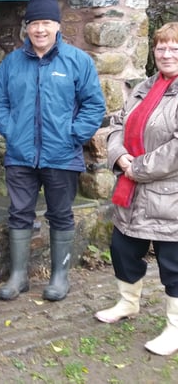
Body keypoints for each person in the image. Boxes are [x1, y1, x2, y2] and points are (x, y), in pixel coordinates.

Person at [0, 0, 105, 302]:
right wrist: (10, 130)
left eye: (45, 22)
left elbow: (94, 106)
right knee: (19, 213)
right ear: (26, 28)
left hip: (62, 154)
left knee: (61, 214)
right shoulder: (12, 63)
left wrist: (73, 135)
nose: (39, 29)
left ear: (57, 25)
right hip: (20, 154)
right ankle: (18, 276)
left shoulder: (78, 62)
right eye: (33, 23)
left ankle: (59, 277)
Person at [95, 22, 178, 356]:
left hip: (169, 197)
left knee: (173, 264)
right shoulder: (144, 87)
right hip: (132, 192)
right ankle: (128, 303)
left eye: (174, 47)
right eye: (161, 47)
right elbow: (117, 124)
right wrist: (120, 156)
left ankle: (175, 328)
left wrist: (137, 167)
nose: (167, 53)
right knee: (122, 249)